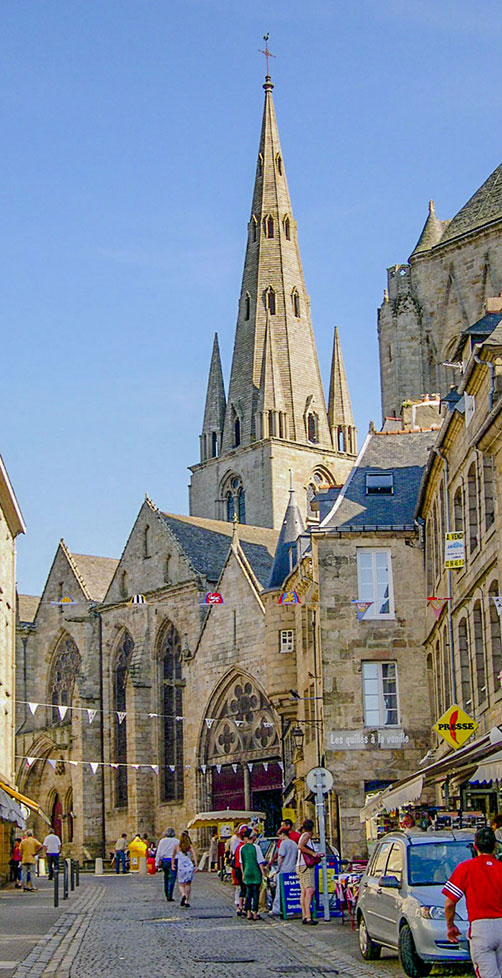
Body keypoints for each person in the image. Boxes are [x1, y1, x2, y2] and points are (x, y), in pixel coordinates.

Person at [443, 826, 502, 977]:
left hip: (481, 927)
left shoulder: (465, 868)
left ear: (475, 846)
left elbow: (449, 903)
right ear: (495, 845)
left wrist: (450, 926)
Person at [297, 818, 321, 925]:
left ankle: (304, 915)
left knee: (304, 891)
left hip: (301, 866)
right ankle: (308, 916)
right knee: (309, 890)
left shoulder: (303, 835)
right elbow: (300, 846)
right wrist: (313, 854)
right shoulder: (306, 836)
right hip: (306, 866)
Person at [270, 827, 298, 916]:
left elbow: (280, 856)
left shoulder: (283, 843)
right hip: (292, 870)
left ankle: (276, 909)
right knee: (290, 891)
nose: (279, 838)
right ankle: (290, 908)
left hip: (284, 870)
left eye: (279, 835)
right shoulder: (294, 844)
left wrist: (278, 869)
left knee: (279, 890)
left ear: (283, 834)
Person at [240, 828, 265, 921]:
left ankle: (248, 912)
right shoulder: (256, 847)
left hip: (247, 872)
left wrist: (243, 874)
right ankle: (255, 913)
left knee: (248, 893)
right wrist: (263, 874)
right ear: (253, 837)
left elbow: (241, 863)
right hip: (255, 873)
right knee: (255, 893)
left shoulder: (242, 848)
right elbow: (260, 862)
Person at [171, 831, 197, 907]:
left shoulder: (177, 847)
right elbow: (194, 855)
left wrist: (172, 865)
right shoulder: (189, 846)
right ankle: (186, 901)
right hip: (189, 866)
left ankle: (183, 894)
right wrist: (196, 865)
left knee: (181, 884)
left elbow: (173, 856)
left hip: (181, 867)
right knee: (188, 884)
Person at [155, 828, 179, 901]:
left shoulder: (162, 841)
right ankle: (169, 894)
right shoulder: (176, 841)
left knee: (166, 876)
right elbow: (178, 852)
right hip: (174, 860)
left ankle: (166, 892)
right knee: (172, 878)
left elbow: (159, 852)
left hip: (165, 860)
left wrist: (157, 863)